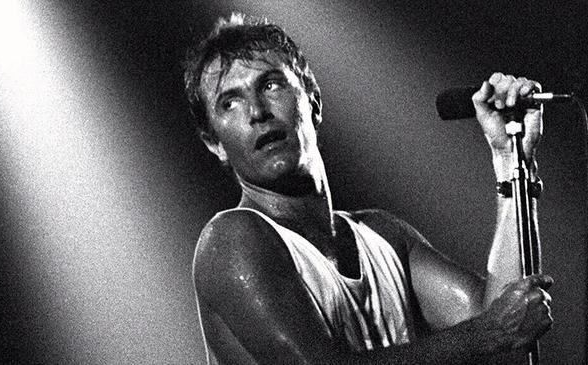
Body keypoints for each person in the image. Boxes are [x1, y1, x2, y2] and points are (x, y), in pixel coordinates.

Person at [183, 13, 552, 364]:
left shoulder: (383, 235)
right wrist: (485, 335)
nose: (257, 112)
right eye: (230, 102)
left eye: (270, 84)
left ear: (313, 102)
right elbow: (491, 330)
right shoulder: (231, 240)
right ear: (214, 143)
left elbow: (507, 324)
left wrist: (511, 158)